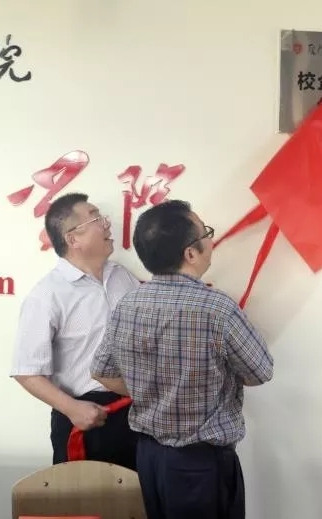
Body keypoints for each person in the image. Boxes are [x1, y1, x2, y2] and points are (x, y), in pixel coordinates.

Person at [90, 199, 274, 519]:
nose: (210, 241)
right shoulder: (217, 308)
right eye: (206, 233)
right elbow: (260, 372)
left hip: (148, 457)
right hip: (200, 464)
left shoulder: (128, 305)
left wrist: (155, 392)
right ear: (191, 253)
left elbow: (102, 372)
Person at [10, 192, 142, 470]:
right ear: (73, 239)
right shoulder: (47, 294)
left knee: (139, 495)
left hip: (137, 413)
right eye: (96, 218)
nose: (107, 224)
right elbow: (26, 371)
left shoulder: (123, 277)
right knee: (86, 498)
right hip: (86, 417)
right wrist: (72, 408)